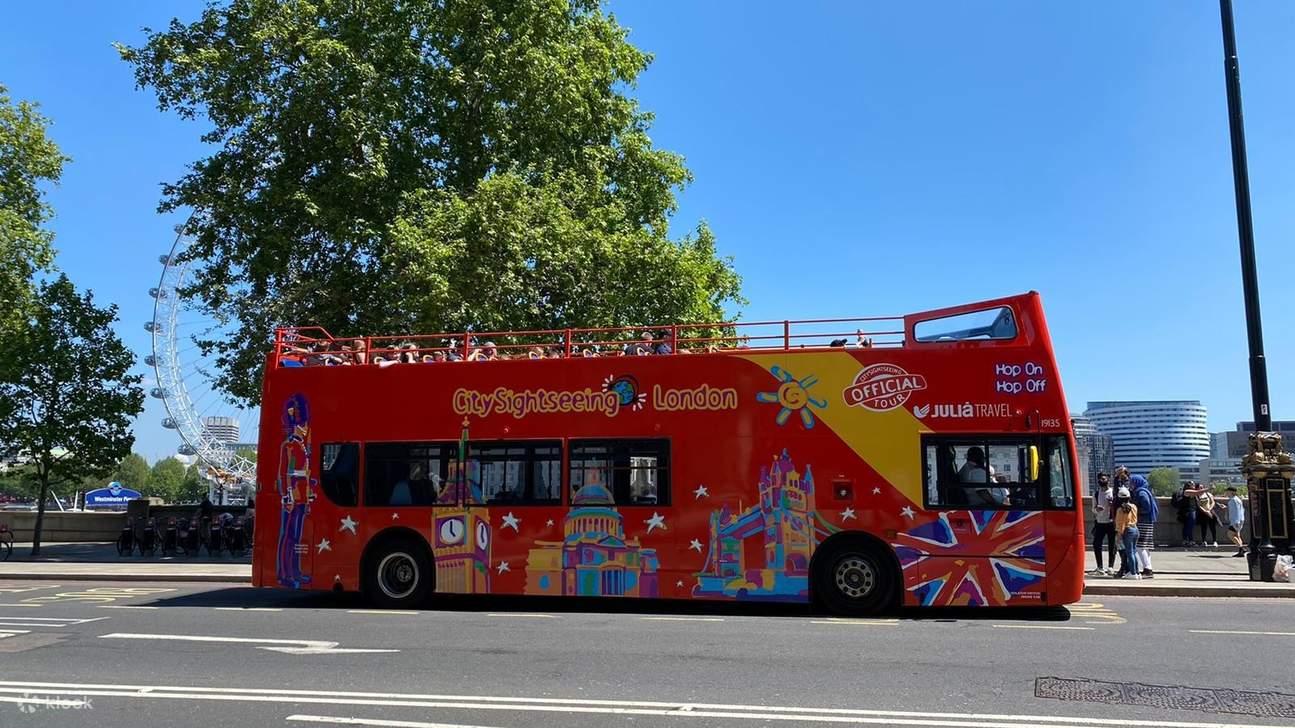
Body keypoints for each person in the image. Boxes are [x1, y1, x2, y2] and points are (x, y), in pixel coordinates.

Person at [1128, 473, 1158, 578]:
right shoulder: (1143, 491)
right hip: (1146, 522)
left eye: (1132, 482)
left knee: (1140, 546)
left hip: (1143, 523)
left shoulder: (1141, 493)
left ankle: (1148, 569)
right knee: (1145, 547)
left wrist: (1136, 510)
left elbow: (1147, 507)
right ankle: (1148, 568)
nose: (1130, 484)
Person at [1090, 473, 1117, 575]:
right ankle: (1100, 567)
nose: (1102, 481)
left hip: (1111, 523)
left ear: (1108, 481)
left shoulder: (1113, 492)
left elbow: (1117, 506)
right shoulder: (1096, 494)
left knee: (1112, 545)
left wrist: (1111, 505)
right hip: (1099, 523)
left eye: (1104, 479)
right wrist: (1097, 509)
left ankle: (1111, 566)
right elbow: (1093, 508)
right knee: (1097, 544)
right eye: (1101, 479)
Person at [1113, 489, 1141, 579]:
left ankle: (1133, 573)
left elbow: (1121, 524)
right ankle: (1137, 572)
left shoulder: (1120, 510)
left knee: (1129, 553)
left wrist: (1119, 536)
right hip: (1135, 529)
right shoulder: (1134, 506)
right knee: (1133, 552)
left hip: (1127, 531)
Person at [1173, 481, 1199, 547]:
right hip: (1189, 511)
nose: (1194, 486)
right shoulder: (1187, 492)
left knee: (1187, 526)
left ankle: (1186, 540)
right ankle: (1190, 541)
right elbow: (1198, 493)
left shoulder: (1189, 492)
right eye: (1192, 484)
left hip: (1189, 511)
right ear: (1189, 486)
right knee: (1189, 527)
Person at [1225, 486, 1247, 557]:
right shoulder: (1237, 499)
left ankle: (1241, 548)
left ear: (1232, 492)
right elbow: (1241, 509)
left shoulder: (1233, 500)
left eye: (1228, 491)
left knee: (1230, 534)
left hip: (1235, 521)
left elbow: (1237, 511)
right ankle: (1241, 551)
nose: (1227, 493)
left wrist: (1236, 521)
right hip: (1239, 520)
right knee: (1237, 535)